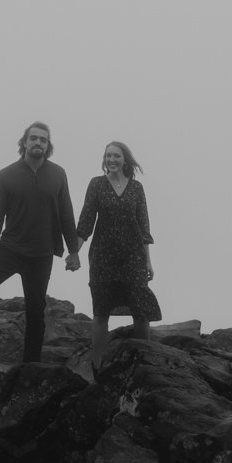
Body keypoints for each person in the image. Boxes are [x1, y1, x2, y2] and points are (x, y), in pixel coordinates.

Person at [0, 121, 82, 373]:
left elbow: (66, 212)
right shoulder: (6, 175)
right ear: (24, 142)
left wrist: (73, 251)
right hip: (10, 249)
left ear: (48, 145)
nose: (38, 143)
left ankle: (31, 366)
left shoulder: (58, 174)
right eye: (33, 138)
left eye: (43, 140)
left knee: (36, 309)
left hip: (42, 254)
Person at [76, 140, 160, 369]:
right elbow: (85, 223)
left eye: (116, 156)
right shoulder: (96, 185)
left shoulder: (136, 188)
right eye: (108, 156)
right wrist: (75, 253)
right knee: (101, 311)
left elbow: (144, 228)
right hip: (103, 257)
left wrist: (148, 262)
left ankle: (146, 362)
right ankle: (97, 366)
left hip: (133, 257)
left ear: (125, 160)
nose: (111, 160)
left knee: (141, 309)